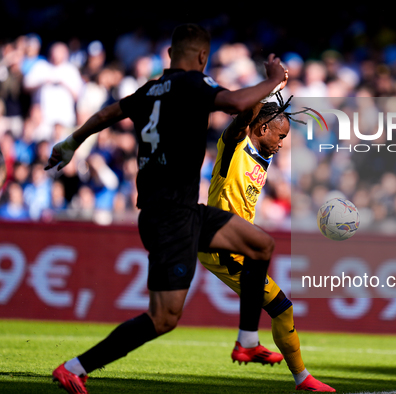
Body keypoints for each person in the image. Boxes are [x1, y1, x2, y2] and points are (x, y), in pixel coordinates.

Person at [46, 24, 287, 394]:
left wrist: (71, 142)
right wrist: (271, 80)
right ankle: (75, 367)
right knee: (163, 319)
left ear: (171, 54)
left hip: (183, 211)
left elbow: (109, 112)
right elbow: (237, 104)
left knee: (260, 246)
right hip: (170, 218)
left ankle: (247, 341)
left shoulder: (150, 91)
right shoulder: (194, 85)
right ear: (203, 57)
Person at [198, 92, 335, 392]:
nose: (282, 142)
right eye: (281, 135)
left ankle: (252, 342)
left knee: (282, 308)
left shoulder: (265, 155)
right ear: (261, 129)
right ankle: (297, 376)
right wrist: (269, 85)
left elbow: (259, 123)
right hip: (221, 245)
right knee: (282, 307)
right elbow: (243, 120)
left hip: (239, 243)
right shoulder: (234, 146)